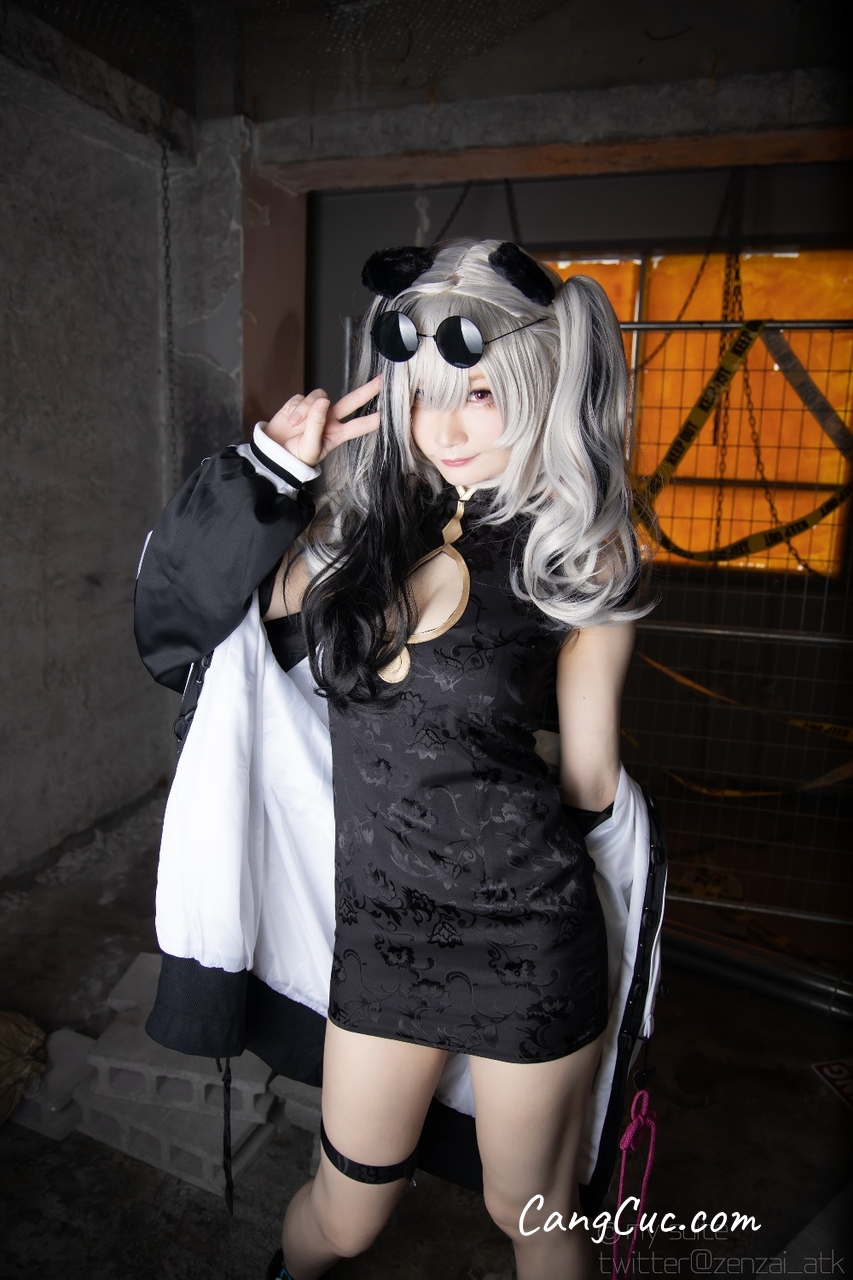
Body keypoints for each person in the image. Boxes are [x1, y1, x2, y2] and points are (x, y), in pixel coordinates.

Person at [135, 239, 652, 1280]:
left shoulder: (575, 552)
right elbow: (193, 629)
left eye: (479, 395)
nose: (444, 429)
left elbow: (590, 783)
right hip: (380, 935)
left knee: (531, 1211)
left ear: (540, 387)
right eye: (423, 398)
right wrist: (274, 470)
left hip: (527, 930)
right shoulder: (358, 529)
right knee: (345, 1214)